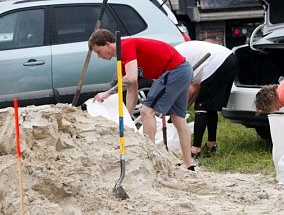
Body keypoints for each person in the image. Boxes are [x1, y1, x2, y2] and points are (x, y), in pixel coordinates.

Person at [88, 29, 195, 171]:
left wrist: (107, 93)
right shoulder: (122, 60)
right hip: (182, 70)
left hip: (174, 71)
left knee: (146, 111)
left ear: (107, 44)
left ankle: (149, 157)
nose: (99, 56)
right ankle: (189, 165)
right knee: (178, 119)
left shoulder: (126, 46)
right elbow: (132, 89)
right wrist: (128, 119)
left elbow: (131, 77)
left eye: (98, 52)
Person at [175, 40, 238, 157]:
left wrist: (180, 111)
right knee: (210, 106)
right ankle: (211, 144)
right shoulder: (179, 53)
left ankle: (195, 150)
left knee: (201, 106)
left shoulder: (175, 62)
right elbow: (194, 87)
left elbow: (192, 89)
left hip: (216, 62)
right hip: (230, 58)